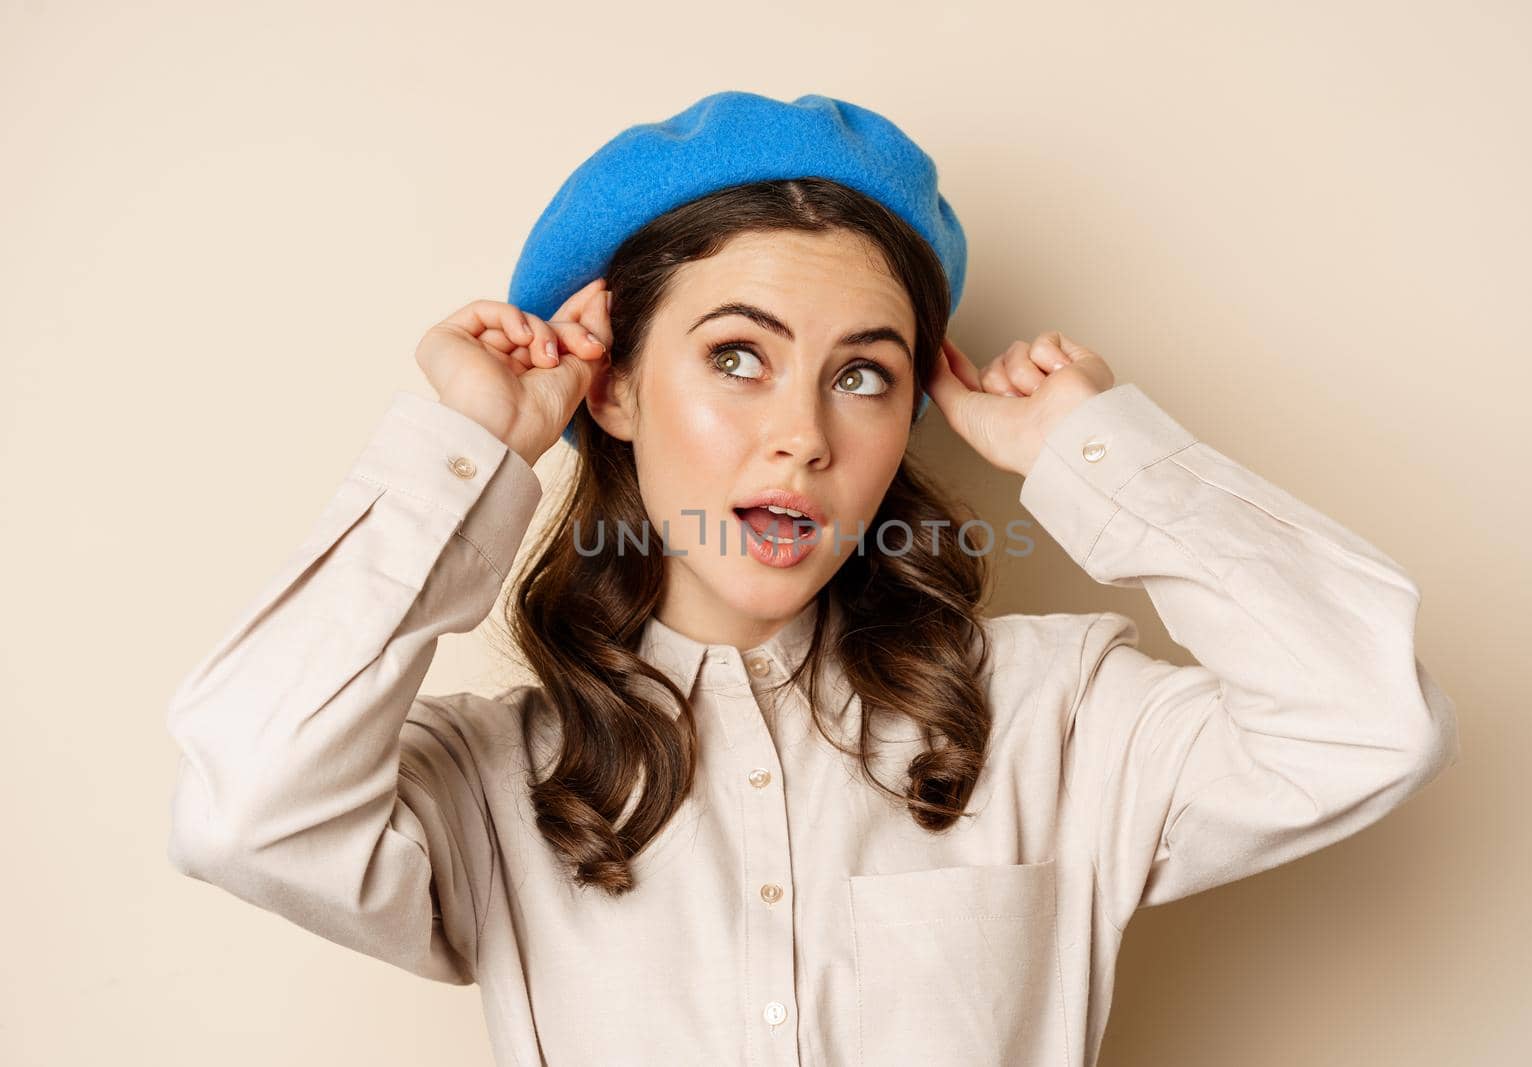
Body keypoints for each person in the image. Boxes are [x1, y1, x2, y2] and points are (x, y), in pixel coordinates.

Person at [163, 91, 1460, 1067]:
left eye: (862, 373)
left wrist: (1097, 454)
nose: (804, 432)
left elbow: (1367, 720)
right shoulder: (497, 781)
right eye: (738, 356)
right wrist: (468, 452)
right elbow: (246, 809)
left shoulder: (1058, 717)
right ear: (611, 386)